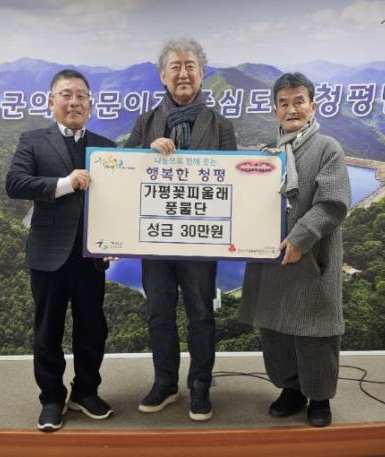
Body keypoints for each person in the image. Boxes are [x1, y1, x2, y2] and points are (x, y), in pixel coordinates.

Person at [124, 38, 236, 421]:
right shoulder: (146, 122)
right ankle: (165, 383)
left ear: (202, 74)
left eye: (190, 66)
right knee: (159, 313)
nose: (183, 73)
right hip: (155, 239)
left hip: (200, 239)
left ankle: (200, 385)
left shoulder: (220, 124)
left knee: (201, 314)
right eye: (176, 66)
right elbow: (121, 168)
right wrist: (145, 154)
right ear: (163, 76)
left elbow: (233, 180)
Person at [239, 72, 351, 427]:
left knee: (315, 331)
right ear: (275, 110)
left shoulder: (328, 148)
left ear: (312, 106)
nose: (292, 109)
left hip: (312, 258)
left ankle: (319, 397)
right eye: (283, 103)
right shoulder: (267, 153)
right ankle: (291, 390)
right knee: (275, 330)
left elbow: (333, 203)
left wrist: (300, 239)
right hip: (271, 259)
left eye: (299, 101)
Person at [6, 69, 115, 431]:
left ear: (90, 104)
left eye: (81, 96)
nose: (74, 102)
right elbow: (15, 183)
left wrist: (116, 241)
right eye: (66, 95)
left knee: (92, 329)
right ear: (51, 102)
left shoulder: (106, 146)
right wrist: (65, 184)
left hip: (91, 255)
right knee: (47, 330)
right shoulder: (33, 141)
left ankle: (86, 392)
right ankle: (51, 398)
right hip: (48, 252)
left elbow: (117, 203)